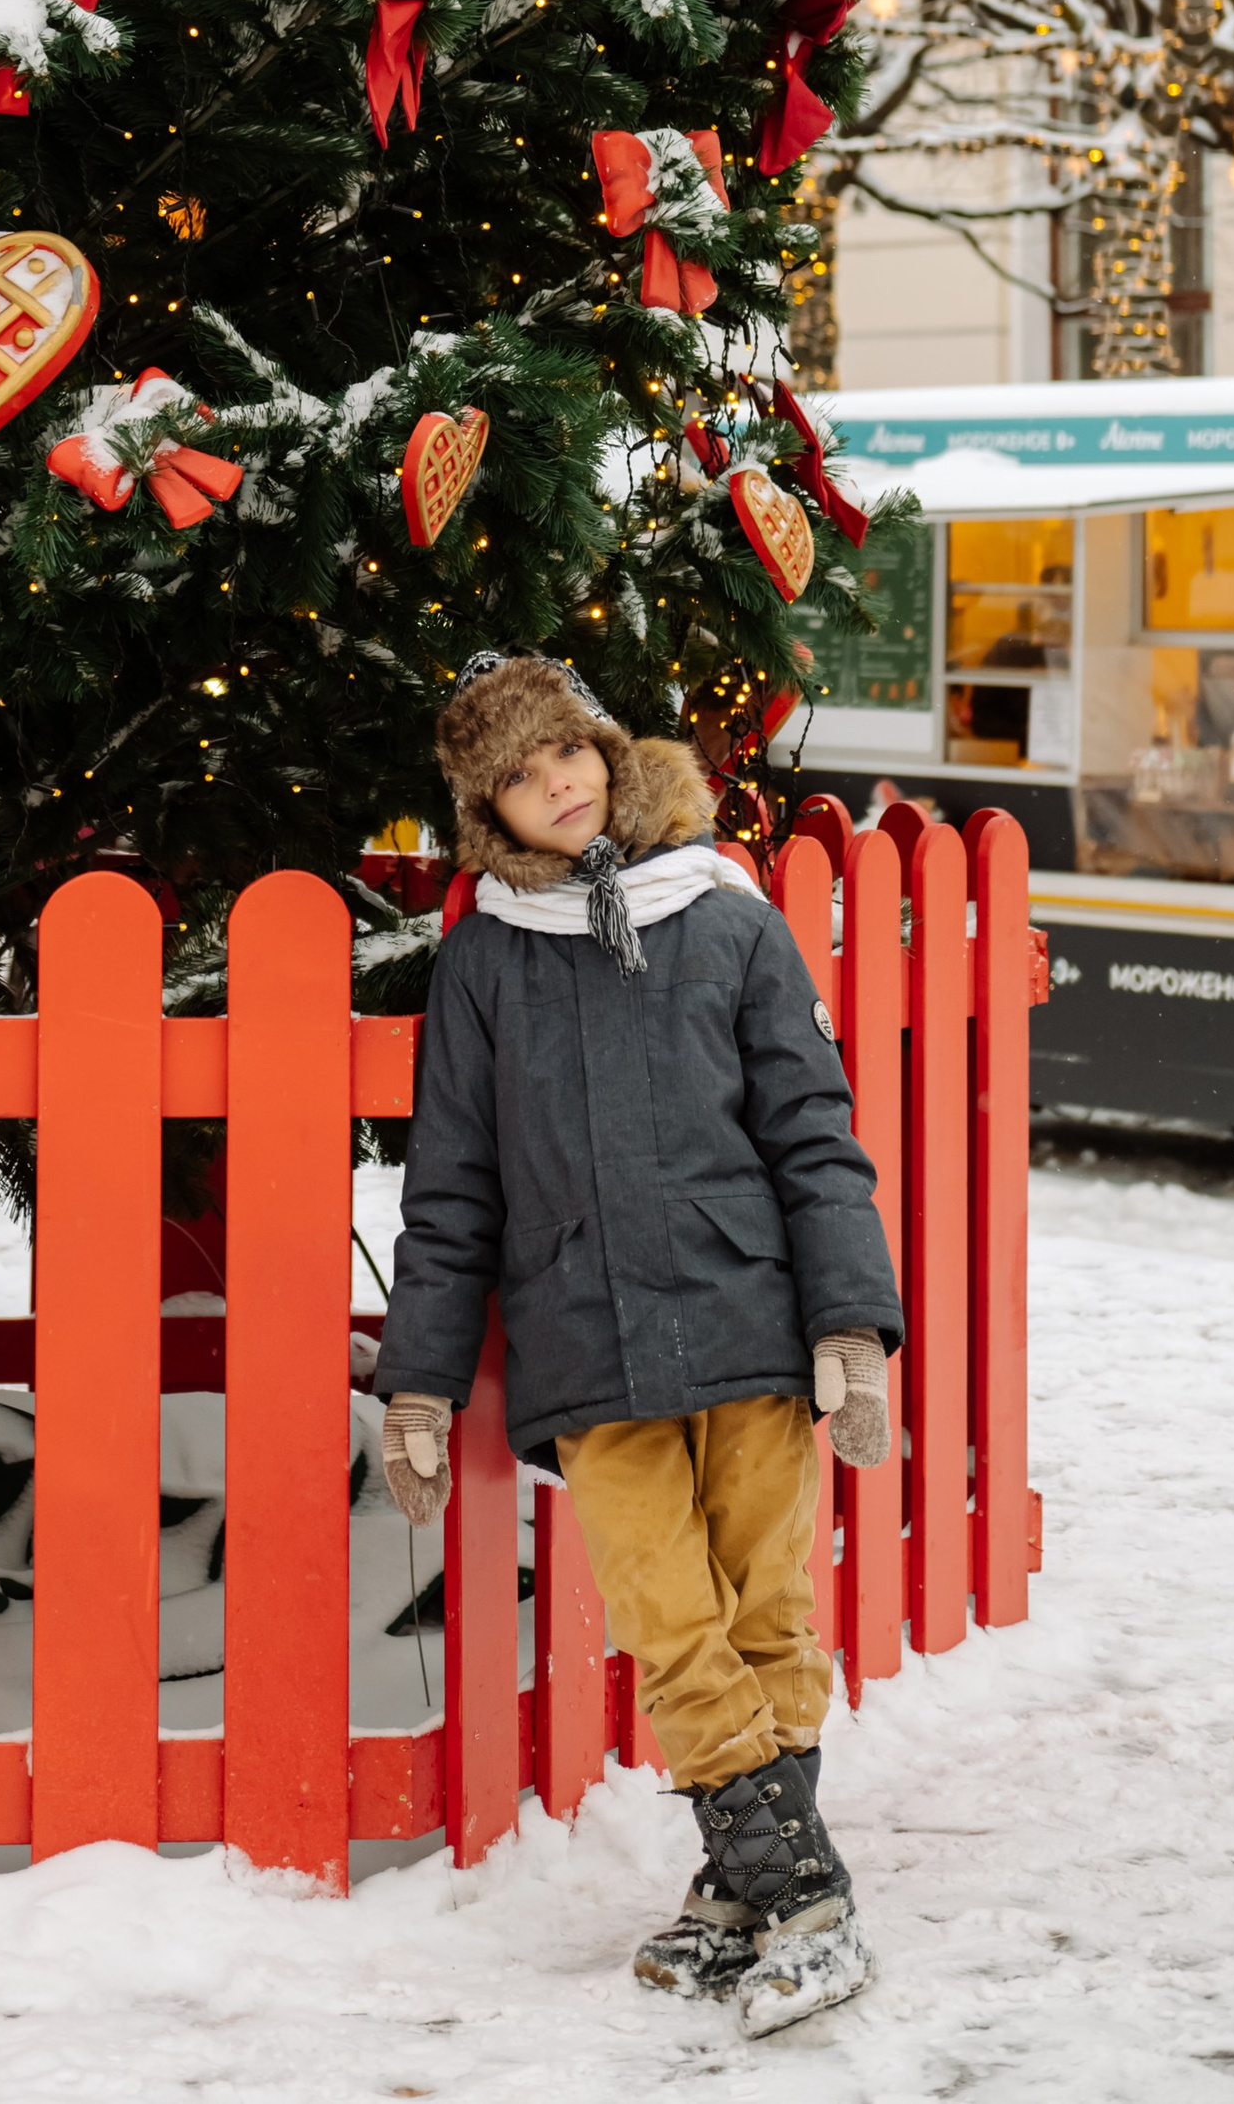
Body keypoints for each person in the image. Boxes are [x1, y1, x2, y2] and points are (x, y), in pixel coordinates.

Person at [371, 649, 902, 2038]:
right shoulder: (484, 954)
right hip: (587, 1344)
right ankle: (797, 1886)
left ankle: (760, 1891)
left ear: (606, 749)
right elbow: (455, 1185)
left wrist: (850, 1322)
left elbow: (810, 1127)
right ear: (488, 806)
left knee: (767, 1609)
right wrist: (417, 1383)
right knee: (674, 1620)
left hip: (750, 1323)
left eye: (573, 751)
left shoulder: (725, 918)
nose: (559, 781)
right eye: (523, 771)